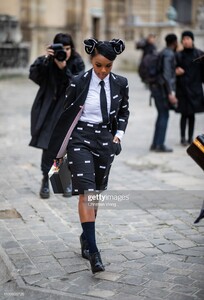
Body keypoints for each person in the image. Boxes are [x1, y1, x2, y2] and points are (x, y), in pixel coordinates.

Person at [48, 38, 129, 273]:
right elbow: (65, 116)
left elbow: (124, 111)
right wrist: (59, 151)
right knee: (86, 191)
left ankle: (86, 236)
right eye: (98, 65)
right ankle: (94, 252)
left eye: (108, 66)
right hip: (80, 138)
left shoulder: (121, 83)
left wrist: (118, 135)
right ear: (91, 61)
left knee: (96, 194)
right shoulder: (78, 82)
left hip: (105, 139)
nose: (103, 71)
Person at [29, 33, 85, 199]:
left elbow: (78, 85)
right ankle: (46, 179)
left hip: (68, 110)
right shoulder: (48, 60)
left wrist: (64, 68)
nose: (65, 52)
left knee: (67, 146)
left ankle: (64, 181)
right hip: (49, 109)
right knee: (48, 145)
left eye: (68, 49)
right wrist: (45, 59)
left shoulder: (77, 61)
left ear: (71, 48)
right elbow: (34, 75)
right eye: (62, 49)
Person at [150, 33, 178, 152]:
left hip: (157, 88)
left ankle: (155, 144)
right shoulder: (168, 54)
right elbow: (167, 75)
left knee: (161, 114)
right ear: (175, 42)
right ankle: (160, 145)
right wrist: (171, 93)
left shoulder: (163, 52)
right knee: (164, 115)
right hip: (162, 90)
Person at [175, 30, 204, 146]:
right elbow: (172, 70)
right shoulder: (178, 55)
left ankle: (190, 137)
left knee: (192, 115)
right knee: (183, 114)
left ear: (192, 40)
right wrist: (176, 71)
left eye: (188, 39)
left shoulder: (200, 55)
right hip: (182, 89)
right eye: (184, 39)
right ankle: (182, 137)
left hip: (195, 89)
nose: (186, 41)